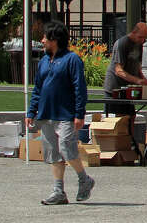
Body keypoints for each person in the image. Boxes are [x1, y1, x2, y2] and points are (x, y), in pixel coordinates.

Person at [26, 20, 94, 206]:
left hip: (65, 114)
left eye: (45, 37)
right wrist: (31, 111)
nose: (42, 41)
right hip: (46, 114)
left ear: (54, 39)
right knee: (53, 153)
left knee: (66, 147)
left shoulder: (72, 60)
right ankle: (58, 191)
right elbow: (38, 88)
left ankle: (84, 179)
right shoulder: (44, 61)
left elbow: (80, 88)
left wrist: (79, 114)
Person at [102, 21, 147, 116]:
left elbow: (137, 66)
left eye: (144, 38)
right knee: (117, 119)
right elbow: (118, 70)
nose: (142, 40)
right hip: (114, 88)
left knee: (131, 116)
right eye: (140, 37)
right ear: (134, 32)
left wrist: (144, 80)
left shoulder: (139, 45)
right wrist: (137, 80)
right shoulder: (122, 43)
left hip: (127, 89)